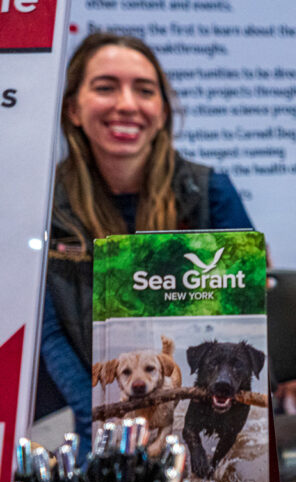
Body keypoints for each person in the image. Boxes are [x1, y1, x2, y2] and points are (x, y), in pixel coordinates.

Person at [41, 33, 254, 456]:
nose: (126, 103)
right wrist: (99, 417)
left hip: (193, 414)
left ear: (161, 111)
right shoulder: (46, 208)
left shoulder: (211, 193)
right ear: (73, 109)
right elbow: (49, 335)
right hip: (98, 420)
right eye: (105, 87)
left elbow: (250, 317)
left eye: (144, 90)